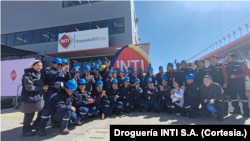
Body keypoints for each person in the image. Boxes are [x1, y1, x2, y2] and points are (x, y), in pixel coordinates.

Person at [38, 57, 71, 137]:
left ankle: (60, 125)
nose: (60, 66)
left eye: (61, 64)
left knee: (60, 109)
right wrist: (60, 71)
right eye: (59, 64)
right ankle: (41, 128)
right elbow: (49, 75)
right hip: (51, 92)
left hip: (60, 93)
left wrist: (67, 71)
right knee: (47, 110)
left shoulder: (61, 72)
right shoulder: (49, 70)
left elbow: (68, 79)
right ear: (53, 63)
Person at [20, 60, 48, 137]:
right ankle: (26, 131)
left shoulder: (38, 73)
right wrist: (42, 87)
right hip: (30, 98)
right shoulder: (28, 75)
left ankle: (35, 125)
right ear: (33, 65)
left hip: (38, 97)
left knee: (41, 112)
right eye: (38, 65)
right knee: (29, 115)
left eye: (41, 66)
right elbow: (29, 87)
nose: (40, 67)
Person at [226, 53, 250, 117]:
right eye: (227, 58)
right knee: (233, 98)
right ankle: (236, 110)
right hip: (231, 84)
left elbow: (248, 72)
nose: (227, 59)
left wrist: (236, 76)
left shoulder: (241, 64)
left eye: (228, 58)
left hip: (240, 83)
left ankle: (246, 112)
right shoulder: (227, 65)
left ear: (234, 58)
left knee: (243, 97)